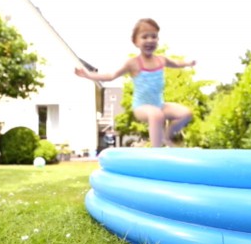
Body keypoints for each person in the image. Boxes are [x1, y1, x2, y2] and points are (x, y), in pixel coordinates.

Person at [75, 18, 195, 147]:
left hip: (159, 105)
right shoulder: (133, 63)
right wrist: (88, 75)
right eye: (145, 37)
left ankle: (166, 137)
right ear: (136, 42)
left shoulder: (161, 60)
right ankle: (156, 150)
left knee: (185, 113)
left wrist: (188, 63)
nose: (150, 40)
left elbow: (176, 63)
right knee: (156, 115)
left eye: (154, 37)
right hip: (141, 107)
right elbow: (111, 76)